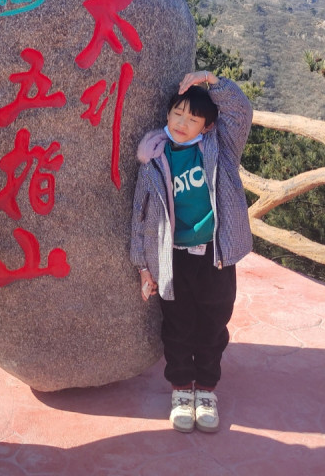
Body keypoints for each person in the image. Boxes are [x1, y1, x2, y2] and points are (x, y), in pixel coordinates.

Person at [130, 70, 253, 434]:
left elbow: (240, 111)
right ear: (167, 115)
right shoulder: (154, 158)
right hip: (173, 257)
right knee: (178, 325)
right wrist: (143, 266)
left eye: (192, 119)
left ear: (207, 126)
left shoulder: (220, 149)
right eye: (177, 114)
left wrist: (211, 80)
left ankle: (207, 390)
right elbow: (140, 216)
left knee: (214, 323)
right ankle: (182, 390)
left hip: (215, 255)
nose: (182, 123)